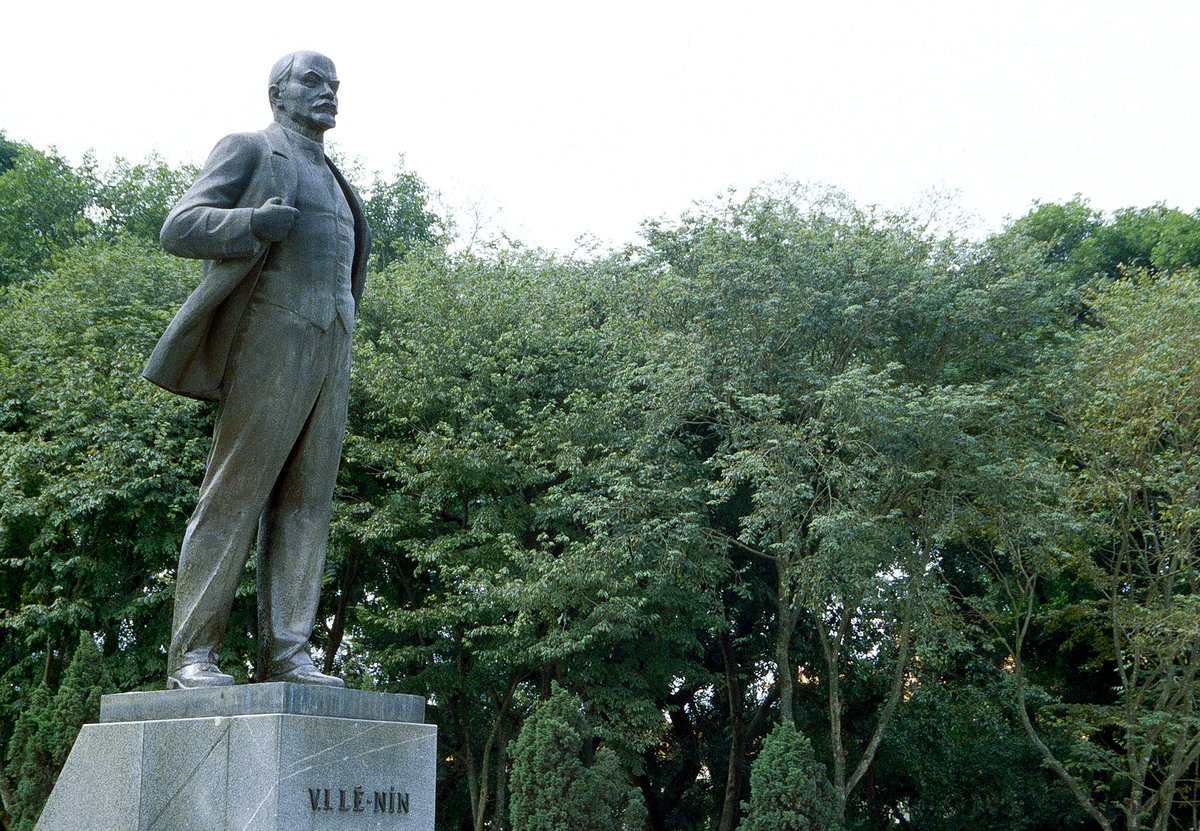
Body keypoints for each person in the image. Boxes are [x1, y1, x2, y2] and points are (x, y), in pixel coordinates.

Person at [144, 50, 371, 689]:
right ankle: (193, 656)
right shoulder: (249, 149)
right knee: (233, 496)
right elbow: (180, 225)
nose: (329, 92)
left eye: (336, 84)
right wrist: (252, 223)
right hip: (268, 341)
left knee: (308, 504)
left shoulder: (336, 176)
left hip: (332, 348)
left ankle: (288, 654)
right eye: (313, 80)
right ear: (277, 92)